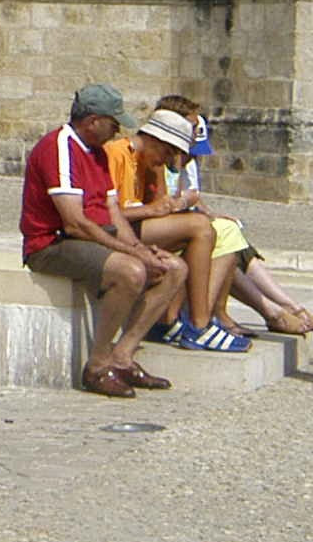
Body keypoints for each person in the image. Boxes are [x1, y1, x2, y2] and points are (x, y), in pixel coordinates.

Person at [21, 85, 189, 397]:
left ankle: (123, 357)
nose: (117, 132)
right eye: (113, 124)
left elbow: (112, 211)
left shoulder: (97, 153)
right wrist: (132, 254)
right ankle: (97, 365)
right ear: (93, 121)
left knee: (174, 268)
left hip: (92, 236)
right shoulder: (59, 148)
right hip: (52, 243)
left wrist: (140, 248)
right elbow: (74, 224)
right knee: (131, 272)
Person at [150, 93, 313, 340]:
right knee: (221, 234)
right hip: (163, 227)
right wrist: (189, 204)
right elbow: (164, 202)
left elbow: (188, 197)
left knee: (227, 231)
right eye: (192, 127)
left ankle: (276, 309)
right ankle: (214, 318)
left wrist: (202, 210)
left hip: (179, 221)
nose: (195, 134)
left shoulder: (179, 159)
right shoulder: (160, 159)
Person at [119, 109, 246, 352]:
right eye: (168, 153)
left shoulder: (149, 161)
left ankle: (195, 320)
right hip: (119, 229)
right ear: (154, 140)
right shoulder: (119, 154)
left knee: (211, 231)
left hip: (135, 224)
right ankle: (200, 324)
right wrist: (156, 209)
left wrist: (169, 203)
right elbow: (107, 213)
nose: (169, 161)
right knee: (200, 228)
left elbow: (159, 200)